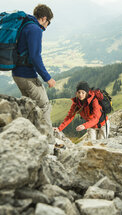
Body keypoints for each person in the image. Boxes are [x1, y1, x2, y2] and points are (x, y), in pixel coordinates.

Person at [12, 4, 56, 144]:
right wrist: (47, 78)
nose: (47, 27)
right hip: (27, 75)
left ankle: (28, 138)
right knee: (44, 106)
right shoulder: (35, 29)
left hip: (17, 74)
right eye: (48, 23)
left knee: (28, 106)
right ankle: (49, 143)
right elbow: (35, 57)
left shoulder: (25, 25)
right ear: (44, 18)